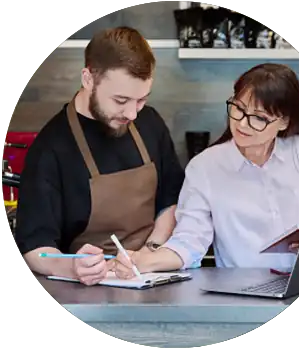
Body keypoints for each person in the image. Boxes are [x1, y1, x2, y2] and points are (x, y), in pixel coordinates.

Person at [113, 63, 299, 279]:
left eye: (259, 118)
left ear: (284, 121)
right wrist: (145, 262)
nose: (243, 124)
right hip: (242, 289)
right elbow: (190, 240)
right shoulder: (205, 167)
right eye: (238, 109)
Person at [14, 26, 185, 285]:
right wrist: (73, 268)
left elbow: (170, 201)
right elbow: (37, 249)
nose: (132, 114)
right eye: (120, 100)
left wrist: (149, 253)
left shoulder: (149, 122)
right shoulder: (51, 147)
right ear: (88, 79)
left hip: (153, 276)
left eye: (141, 100)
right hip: (88, 289)